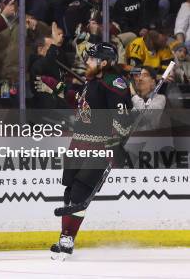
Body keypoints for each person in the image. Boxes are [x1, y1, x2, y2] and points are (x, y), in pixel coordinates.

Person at [50, 42, 132, 260]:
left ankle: (67, 238)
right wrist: (59, 89)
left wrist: (116, 141)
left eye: (92, 58)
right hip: (78, 144)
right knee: (69, 191)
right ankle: (64, 237)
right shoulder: (92, 82)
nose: (87, 61)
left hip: (99, 146)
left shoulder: (113, 82)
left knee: (79, 193)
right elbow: (82, 105)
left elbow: (122, 118)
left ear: (103, 63)